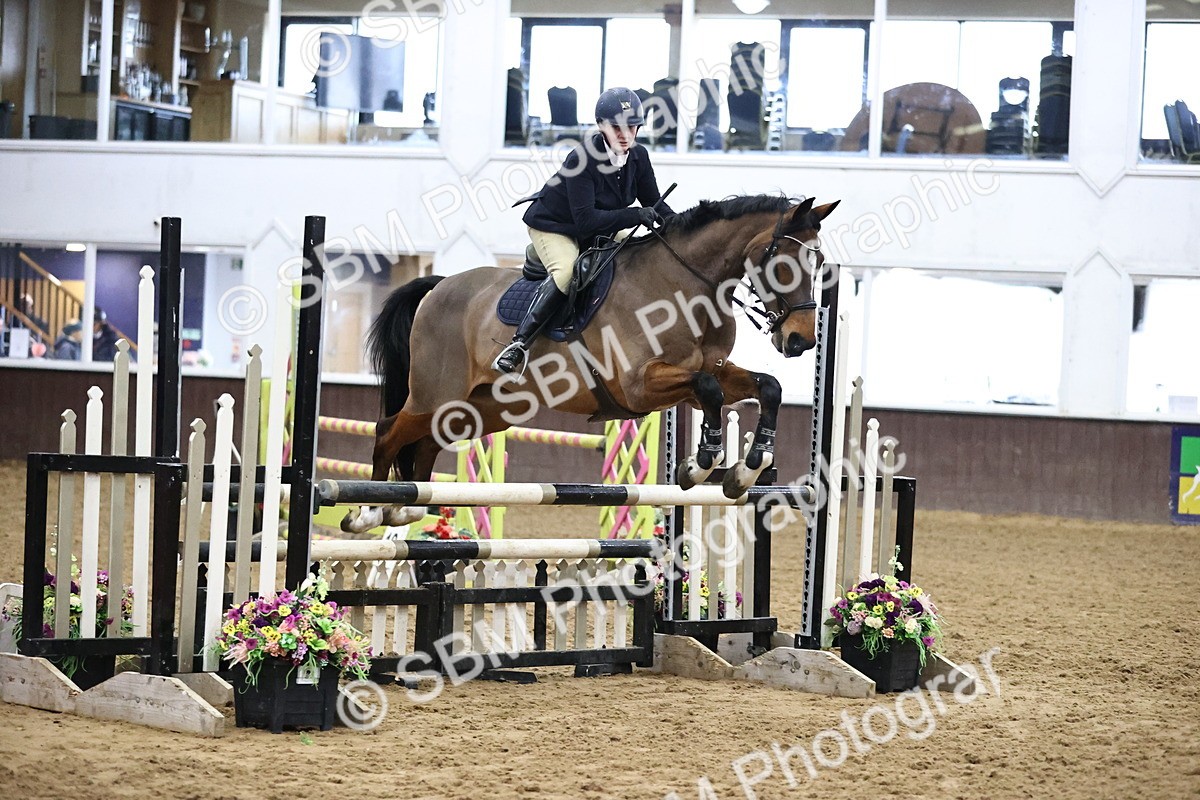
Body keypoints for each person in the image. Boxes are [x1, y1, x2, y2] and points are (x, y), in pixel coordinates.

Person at [494, 87, 676, 375]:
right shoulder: (582, 158)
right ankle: (518, 345)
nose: (625, 135)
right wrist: (635, 215)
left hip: (598, 228)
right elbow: (587, 222)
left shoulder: (639, 156)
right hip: (556, 226)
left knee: (637, 254)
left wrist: (681, 227)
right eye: (616, 127)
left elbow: (654, 202)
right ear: (601, 126)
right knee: (567, 271)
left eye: (632, 127)